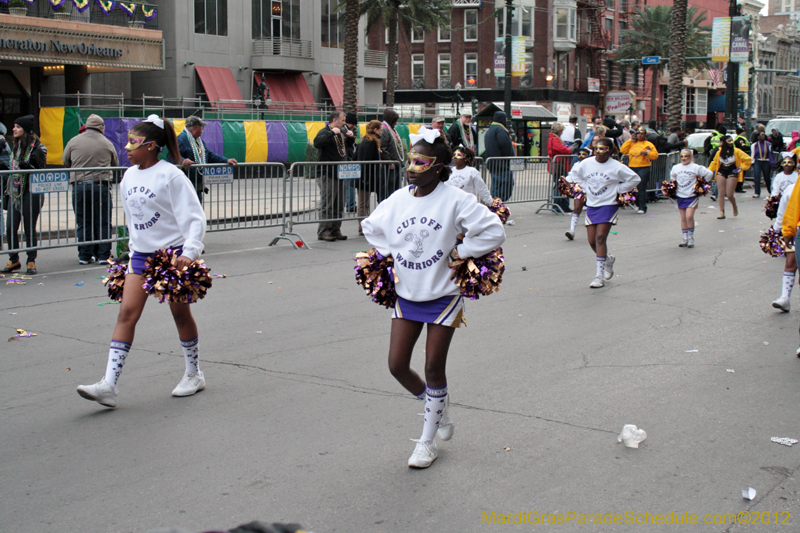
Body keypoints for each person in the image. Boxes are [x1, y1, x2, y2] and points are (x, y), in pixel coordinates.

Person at [360, 127, 505, 468]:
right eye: (410, 160)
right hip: (407, 294)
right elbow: (371, 227)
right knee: (397, 365)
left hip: (443, 295)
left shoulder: (457, 199)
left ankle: (426, 442)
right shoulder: (397, 199)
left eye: (421, 162)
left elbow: (494, 230)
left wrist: (463, 251)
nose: (412, 167)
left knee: (432, 366)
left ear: (439, 167)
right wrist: (390, 253)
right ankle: (437, 405)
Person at [76, 115, 208, 408]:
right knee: (126, 314)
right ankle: (108, 384)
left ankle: (193, 372)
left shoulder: (171, 176)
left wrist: (190, 251)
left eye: (133, 142)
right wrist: (131, 250)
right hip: (140, 257)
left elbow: (194, 217)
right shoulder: (128, 176)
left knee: (180, 314)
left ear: (151, 146)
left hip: (171, 257)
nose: (126, 148)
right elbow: (135, 222)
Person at [564, 137, 640, 288]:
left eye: (602, 149)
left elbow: (634, 179)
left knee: (600, 238)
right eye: (596, 149)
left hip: (608, 204)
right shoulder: (586, 163)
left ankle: (599, 276)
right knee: (592, 241)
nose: (598, 152)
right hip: (592, 205)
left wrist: (618, 189)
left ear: (610, 151)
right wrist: (584, 186)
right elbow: (574, 176)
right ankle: (608, 259)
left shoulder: (616, 166)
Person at [62, 114, 119, 265]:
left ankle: (85, 256)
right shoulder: (107, 143)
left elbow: (65, 160)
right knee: (103, 221)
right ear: (102, 128)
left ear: (86, 126)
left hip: (79, 186)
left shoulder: (74, 141)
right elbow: (115, 163)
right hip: (100, 186)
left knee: (83, 221)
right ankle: (104, 255)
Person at [2, 115, 46, 275]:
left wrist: (29, 167)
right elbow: (11, 166)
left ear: (26, 130)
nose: (14, 129)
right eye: (14, 126)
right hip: (15, 192)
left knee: (29, 227)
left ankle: (31, 260)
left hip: (31, 192)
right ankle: (14, 260)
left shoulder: (37, 148)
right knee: (11, 227)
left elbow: (42, 173)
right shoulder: (16, 146)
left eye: (17, 127)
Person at [177, 115, 237, 203]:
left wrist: (226, 160)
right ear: (195, 127)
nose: (202, 130)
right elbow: (171, 157)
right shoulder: (181, 139)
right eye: (202, 127)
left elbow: (209, 155)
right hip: (186, 187)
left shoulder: (199, 142)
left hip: (197, 186)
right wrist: (183, 161)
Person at [313, 110, 352, 241]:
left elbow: (346, 151)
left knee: (339, 204)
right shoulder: (325, 131)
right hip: (327, 173)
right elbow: (317, 143)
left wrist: (350, 139)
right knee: (327, 204)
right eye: (342, 120)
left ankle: (335, 229)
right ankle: (323, 231)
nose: (344, 123)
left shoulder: (341, 134)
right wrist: (331, 133)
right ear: (334, 120)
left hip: (340, 173)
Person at [668, 148, 713, 248]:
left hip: (692, 195)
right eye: (681, 156)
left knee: (689, 216)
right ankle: (685, 238)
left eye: (686, 156)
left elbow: (709, 173)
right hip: (680, 195)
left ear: (691, 157)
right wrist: (672, 188)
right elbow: (673, 179)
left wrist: (702, 185)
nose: (684, 158)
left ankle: (691, 237)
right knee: (683, 218)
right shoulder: (676, 167)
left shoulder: (695, 167)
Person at [771, 156, 798, 312]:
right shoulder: (791, 190)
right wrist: (777, 232)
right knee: (790, 262)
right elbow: (783, 214)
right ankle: (785, 297)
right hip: (796, 232)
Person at [708, 135, 752, 219]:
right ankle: (722, 212)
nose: (731, 143)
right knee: (721, 193)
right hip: (721, 171)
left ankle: (734, 205)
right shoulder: (719, 152)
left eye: (731, 141)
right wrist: (708, 170)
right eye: (728, 141)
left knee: (729, 194)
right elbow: (714, 162)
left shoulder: (737, 151)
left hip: (732, 171)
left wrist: (740, 168)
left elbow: (748, 159)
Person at [355, 119, 383, 236]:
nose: (381, 132)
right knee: (363, 203)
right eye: (380, 129)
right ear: (375, 130)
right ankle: (362, 227)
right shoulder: (369, 142)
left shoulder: (368, 141)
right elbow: (365, 160)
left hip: (366, 177)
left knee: (364, 203)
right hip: (365, 178)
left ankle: (364, 226)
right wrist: (365, 178)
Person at [620, 128, 658, 214]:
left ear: (645, 135)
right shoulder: (632, 143)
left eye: (642, 134)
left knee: (641, 187)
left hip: (644, 167)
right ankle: (636, 203)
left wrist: (647, 153)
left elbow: (655, 155)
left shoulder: (648, 144)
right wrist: (630, 140)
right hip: (632, 167)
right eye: (638, 134)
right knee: (633, 187)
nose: (640, 135)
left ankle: (642, 206)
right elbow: (623, 150)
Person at [483, 111, 515, 201]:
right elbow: (505, 145)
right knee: (506, 185)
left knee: (496, 186)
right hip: (502, 164)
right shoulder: (500, 130)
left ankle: (495, 204)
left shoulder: (490, 130)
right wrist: (509, 157)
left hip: (492, 163)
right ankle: (499, 204)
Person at [379, 108, 405, 202]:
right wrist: (390, 161)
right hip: (390, 166)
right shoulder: (384, 130)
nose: (397, 123)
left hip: (396, 164)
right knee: (389, 189)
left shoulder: (392, 130)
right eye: (395, 121)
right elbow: (382, 148)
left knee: (396, 189)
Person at [548, 122, 574, 214]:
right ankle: (558, 205)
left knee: (562, 184)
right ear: (559, 130)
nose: (562, 132)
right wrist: (571, 149)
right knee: (560, 185)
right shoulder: (554, 139)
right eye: (562, 130)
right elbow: (562, 150)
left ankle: (563, 205)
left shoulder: (553, 138)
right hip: (559, 164)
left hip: (559, 164)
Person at [751, 131, 775, 198]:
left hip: (766, 162)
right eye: (761, 135)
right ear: (758, 136)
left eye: (763, 135)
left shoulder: (768, 144)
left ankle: (771, 192)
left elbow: (770, 154)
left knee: (767, 177)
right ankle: (757, 192)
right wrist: (752, 162)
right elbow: (752, 154)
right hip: (757, 161)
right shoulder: (754, 145)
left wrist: (772, 163)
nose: (762, 136)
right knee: (757, 177)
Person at [344, 112, 359, 212]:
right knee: (350, 185)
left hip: (347, 160)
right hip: (347, 161)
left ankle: (350, 204)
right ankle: (350, 205)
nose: (353, 126)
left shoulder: (345, 130)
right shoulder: (345, 132)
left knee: (348, 185)